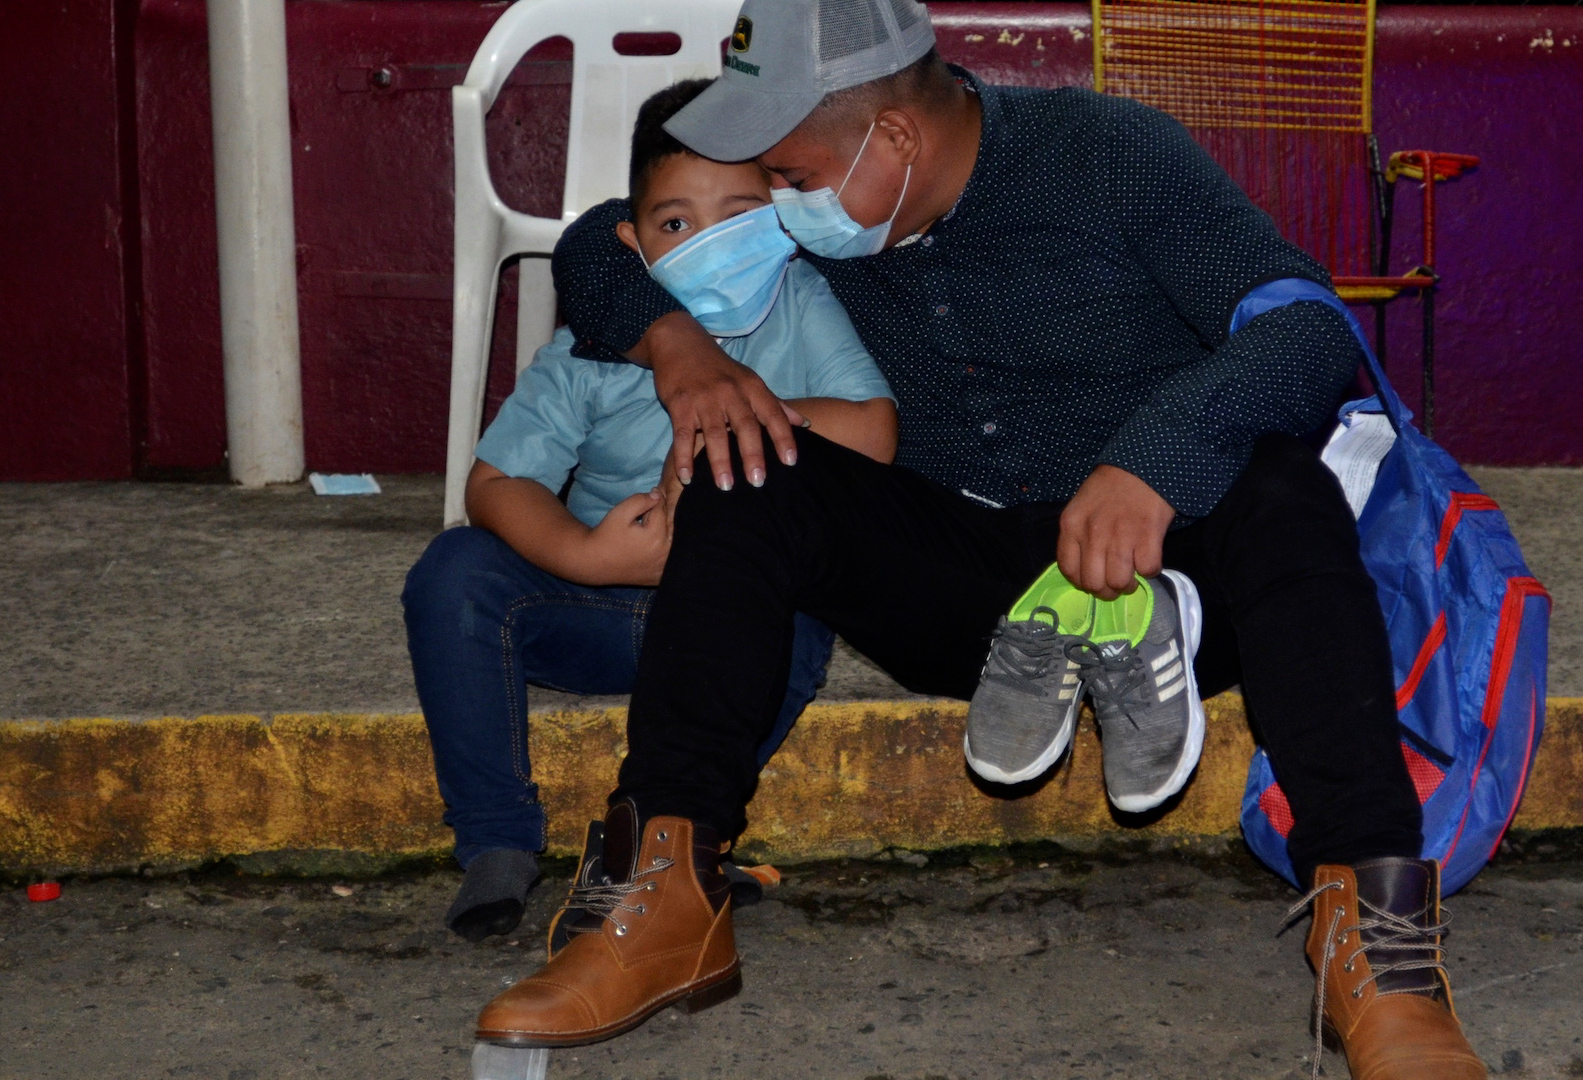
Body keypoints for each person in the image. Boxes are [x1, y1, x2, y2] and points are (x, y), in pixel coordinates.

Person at [476, 1, 1485, 1076]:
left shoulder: (1109, 155)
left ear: (893, 138)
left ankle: (1378, 942)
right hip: (961, 592)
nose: (773, 199)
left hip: (1170, 580)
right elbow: (597, 242)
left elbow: (1308, 327)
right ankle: (666, 895)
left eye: (789, 175)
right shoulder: (828, 197)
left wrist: (1154, 460)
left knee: (1285, 488)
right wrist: (677, 347)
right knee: (746, 461)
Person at [400, 77, 896, 944]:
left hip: (736, 628)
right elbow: (496, 483)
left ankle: (685, 833)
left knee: (812, 605)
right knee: (452, 572)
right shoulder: (598, 346)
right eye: (676, 224)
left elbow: (873, 431)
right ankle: (496, 844)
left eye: (740, 214)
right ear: (630, 240)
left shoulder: (804, 301)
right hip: (601, 609)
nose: (711, 242)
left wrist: (741, 421)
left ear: (782, 216)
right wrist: (588, 556)